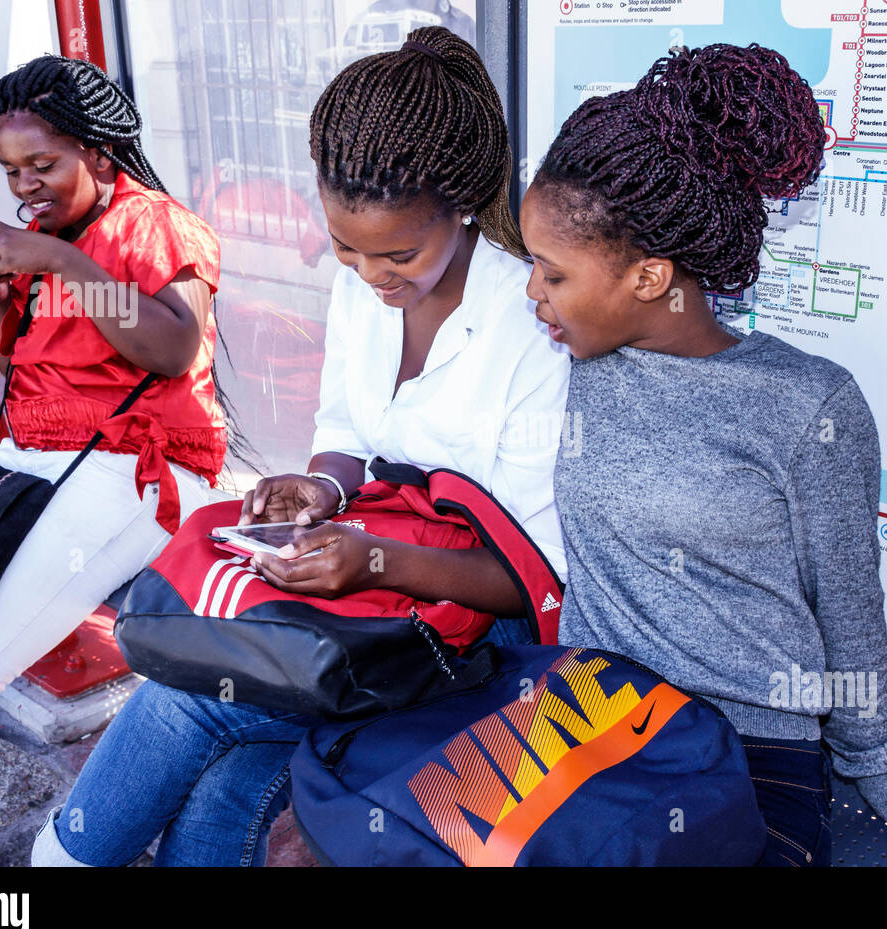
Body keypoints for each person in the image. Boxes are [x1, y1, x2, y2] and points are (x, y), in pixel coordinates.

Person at [31, 27, 571, 867]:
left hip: (465, 635)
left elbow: (527, 575)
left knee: (189, 697)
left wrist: (373, 563)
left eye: (399, 254)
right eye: (346, 247)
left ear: (462, 205)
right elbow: (348, 433)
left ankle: (52, 865)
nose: (370, 276)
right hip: (367, 608)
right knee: (228, 789)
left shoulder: (531, 327)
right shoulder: (365, 287)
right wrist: (319, 490)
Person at [518, 42, 887, 866]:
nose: (531, 293)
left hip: (744, 757)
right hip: (574, 728)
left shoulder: (806, 405)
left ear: (649, 277)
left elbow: (849, 611)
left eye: (551, 274)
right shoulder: (583, 357)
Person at [0, 55, 227, 866]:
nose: (26, 184)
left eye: (45, 164)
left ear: (101, 155)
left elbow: (172, 345)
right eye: (12, 170)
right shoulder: (50, 237)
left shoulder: (155, 223)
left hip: (135, 468)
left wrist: (61, 264)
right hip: (36, 460)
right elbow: (35, 371)